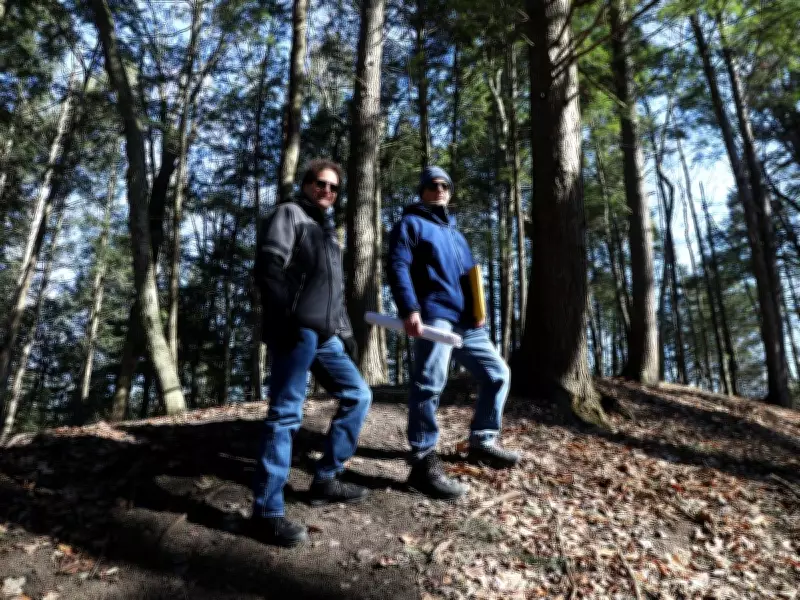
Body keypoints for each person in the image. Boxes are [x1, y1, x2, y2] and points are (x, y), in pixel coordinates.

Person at [250, 159, 371, 547]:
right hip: (296, 330)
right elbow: (268, 269)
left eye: (334, 188)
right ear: (306, 184)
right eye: (321, 184)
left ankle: (326, 478)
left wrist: (346, 332)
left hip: (325, 335)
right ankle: (266, 512)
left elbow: (333, 293)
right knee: (285, 414)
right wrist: (282, 320)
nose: (327, 192)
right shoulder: (289, 214)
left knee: (359, 395)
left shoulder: (329, 232)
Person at [388, 166, 519, 501]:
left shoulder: (456, 235)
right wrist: (409, 309)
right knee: (429, 383)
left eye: (446, 184)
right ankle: (422, 460)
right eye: (433, 185)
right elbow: (398, 266)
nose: (440, 189)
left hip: (467, 322)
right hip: (434, 316)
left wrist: (478, 313)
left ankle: (483, 441)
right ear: (423, 191)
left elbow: (469, 277)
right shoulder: (410, 224)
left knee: (497, 374)